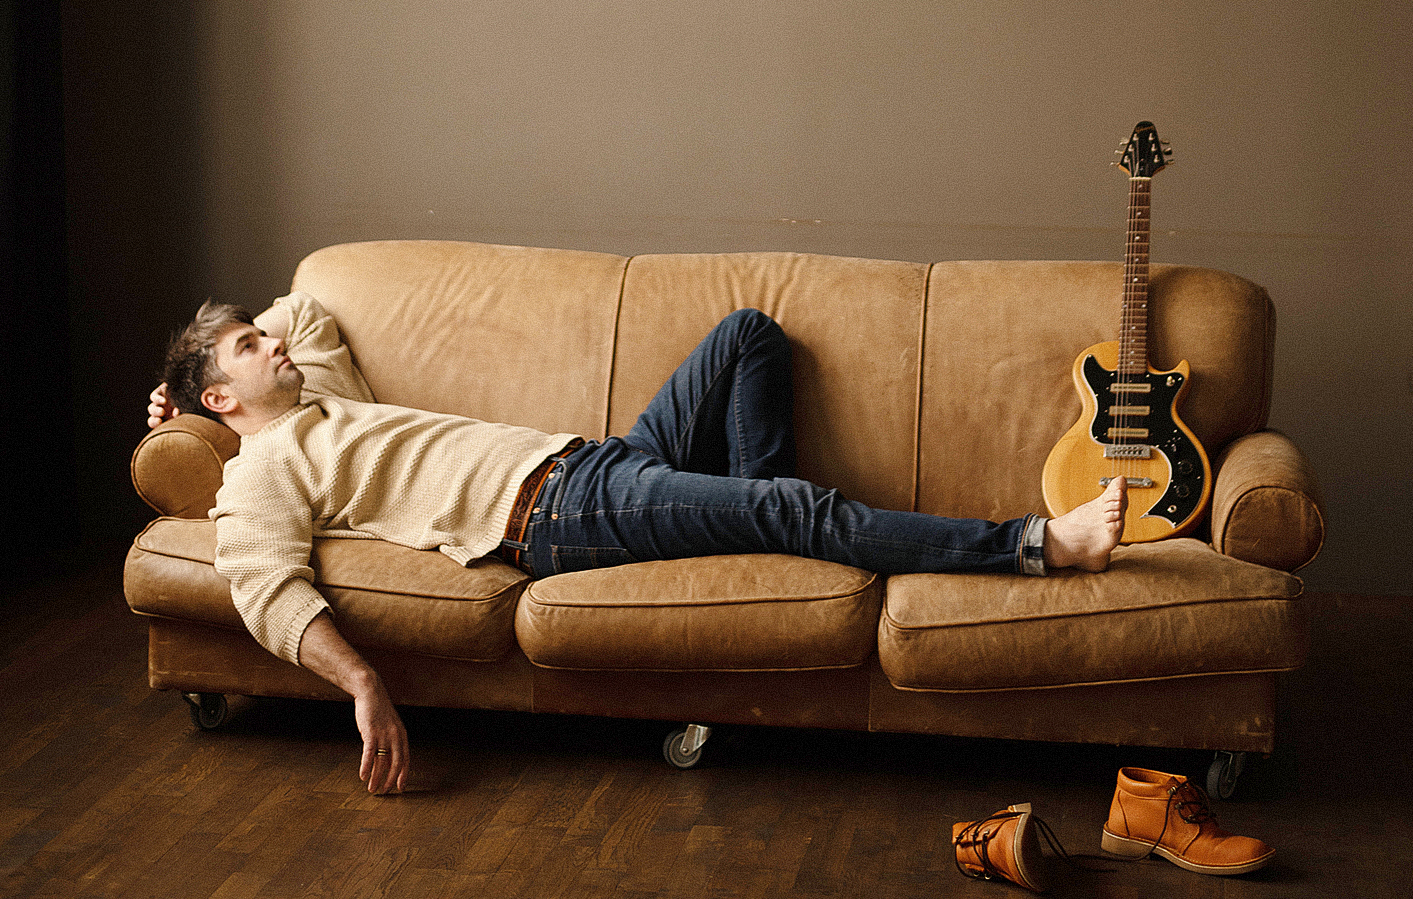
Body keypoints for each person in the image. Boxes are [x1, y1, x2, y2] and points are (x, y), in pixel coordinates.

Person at [149, 293, 1127, 795]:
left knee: (747, 333)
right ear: (226, 397)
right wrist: (363, 685)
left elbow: (305, 309)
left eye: (260, 334)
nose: (274, 341)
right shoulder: (264, 470)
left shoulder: (318, 392)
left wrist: (182, 396)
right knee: (794, 507)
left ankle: (759, 520)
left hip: (593, 460)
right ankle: (1039, 544)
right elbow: (264, 587)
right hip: (553, 514)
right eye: (248, 347)